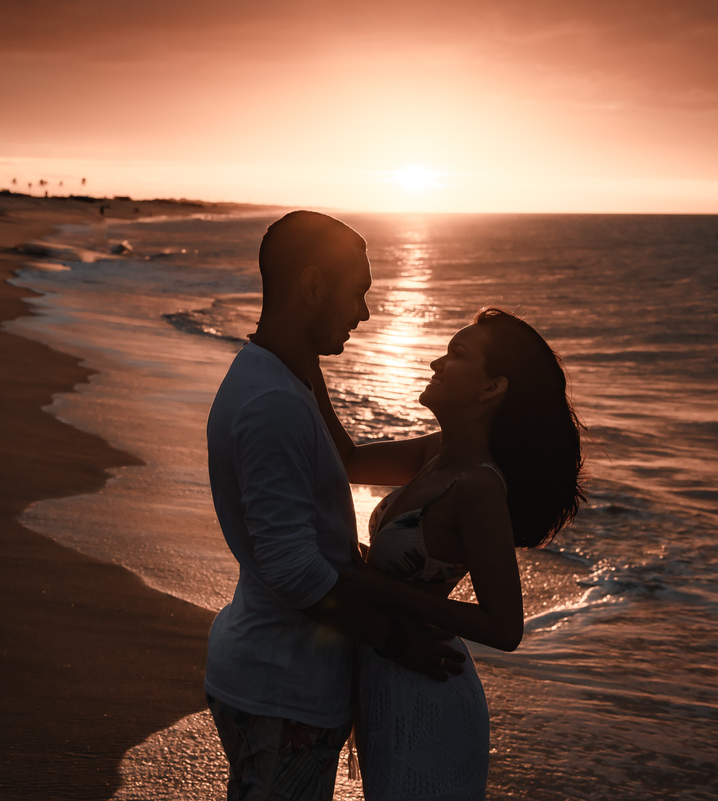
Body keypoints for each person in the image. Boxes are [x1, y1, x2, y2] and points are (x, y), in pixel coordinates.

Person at [205, 210, 463, 801]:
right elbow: (293, 571)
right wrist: (396, 640)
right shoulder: (272, 402)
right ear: (313, 286)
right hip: (281, 689)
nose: (365, 313)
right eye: (358, 293)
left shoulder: (281, 380)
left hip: (277, 680)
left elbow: (314, 521)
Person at [313, 307, 586, 801]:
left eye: (457, 354)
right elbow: (347, 460)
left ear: (491, 388)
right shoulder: (437, 453)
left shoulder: (477, 485)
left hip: (429, 694)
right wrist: (303, 356)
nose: (437, 363)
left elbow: (505, 628)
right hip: (389, 671)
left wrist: (380, 584)